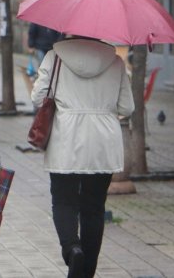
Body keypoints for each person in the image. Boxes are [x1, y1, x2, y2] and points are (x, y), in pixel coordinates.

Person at [31, 38, 134, 278]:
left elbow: (38, 98)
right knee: (94, 208)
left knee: (63, 201)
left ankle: (72, 249)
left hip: (66, 139)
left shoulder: (54, 56)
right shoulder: (116, 62)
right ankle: (86, 272)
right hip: (103, 143)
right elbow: (127, 107)